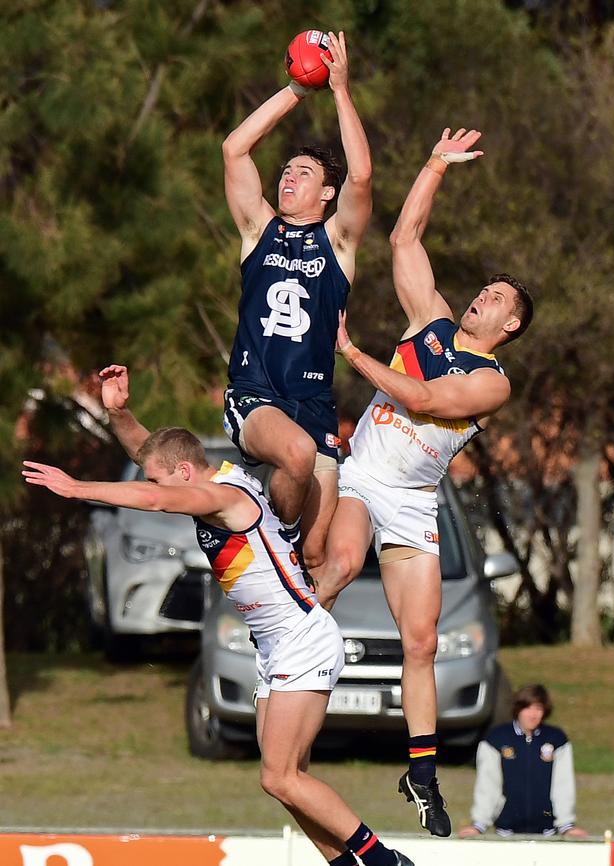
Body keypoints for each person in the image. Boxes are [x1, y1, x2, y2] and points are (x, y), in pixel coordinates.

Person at [22, 364, 413, 866]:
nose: (160, 483)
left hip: (301, 638)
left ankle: (384, 860)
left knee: (279, 776)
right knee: (288, 780)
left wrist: (79, 489)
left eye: (165, 478)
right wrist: (119, 414)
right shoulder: (206, 477)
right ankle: (346, 863)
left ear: (184, 474)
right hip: (277, 645)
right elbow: (154, 459)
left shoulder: (222, 496)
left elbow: (156, 495)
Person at [316, 127, 534, 837]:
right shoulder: (431, 321)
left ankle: (421, 772)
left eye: (497, 297)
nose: (483, 295)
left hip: (411, 503)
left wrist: (352, 351)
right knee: (342, 564)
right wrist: (435, 165)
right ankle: (281, 649)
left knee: (421, 643)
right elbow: (405, 238)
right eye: (485, 288)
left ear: (510, 325)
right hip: (363, 477)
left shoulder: (490, 382)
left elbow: (427, 402)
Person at [221, 30, 372, 571]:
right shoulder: (258, 230)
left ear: (326, 194)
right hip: (255, 395)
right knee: (297, 459)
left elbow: (362, 175)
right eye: (285, 170)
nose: (287, 176)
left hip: (315, 403)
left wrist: (339, 90)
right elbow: (235, 149)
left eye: (302, 173)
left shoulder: (338, 243)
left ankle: (296, 648)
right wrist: (296, 90)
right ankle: (268, 543)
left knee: (317, 553)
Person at [458, 684, 587, 837]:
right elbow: (488, 784)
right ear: (518, 708)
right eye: (528, 708)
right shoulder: (497, 738)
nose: (533, 714)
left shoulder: (556, 739)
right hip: (506, 831)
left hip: (547, 832)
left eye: (538, 708)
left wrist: (567, 825)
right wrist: (479, 824)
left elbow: (563, 784)